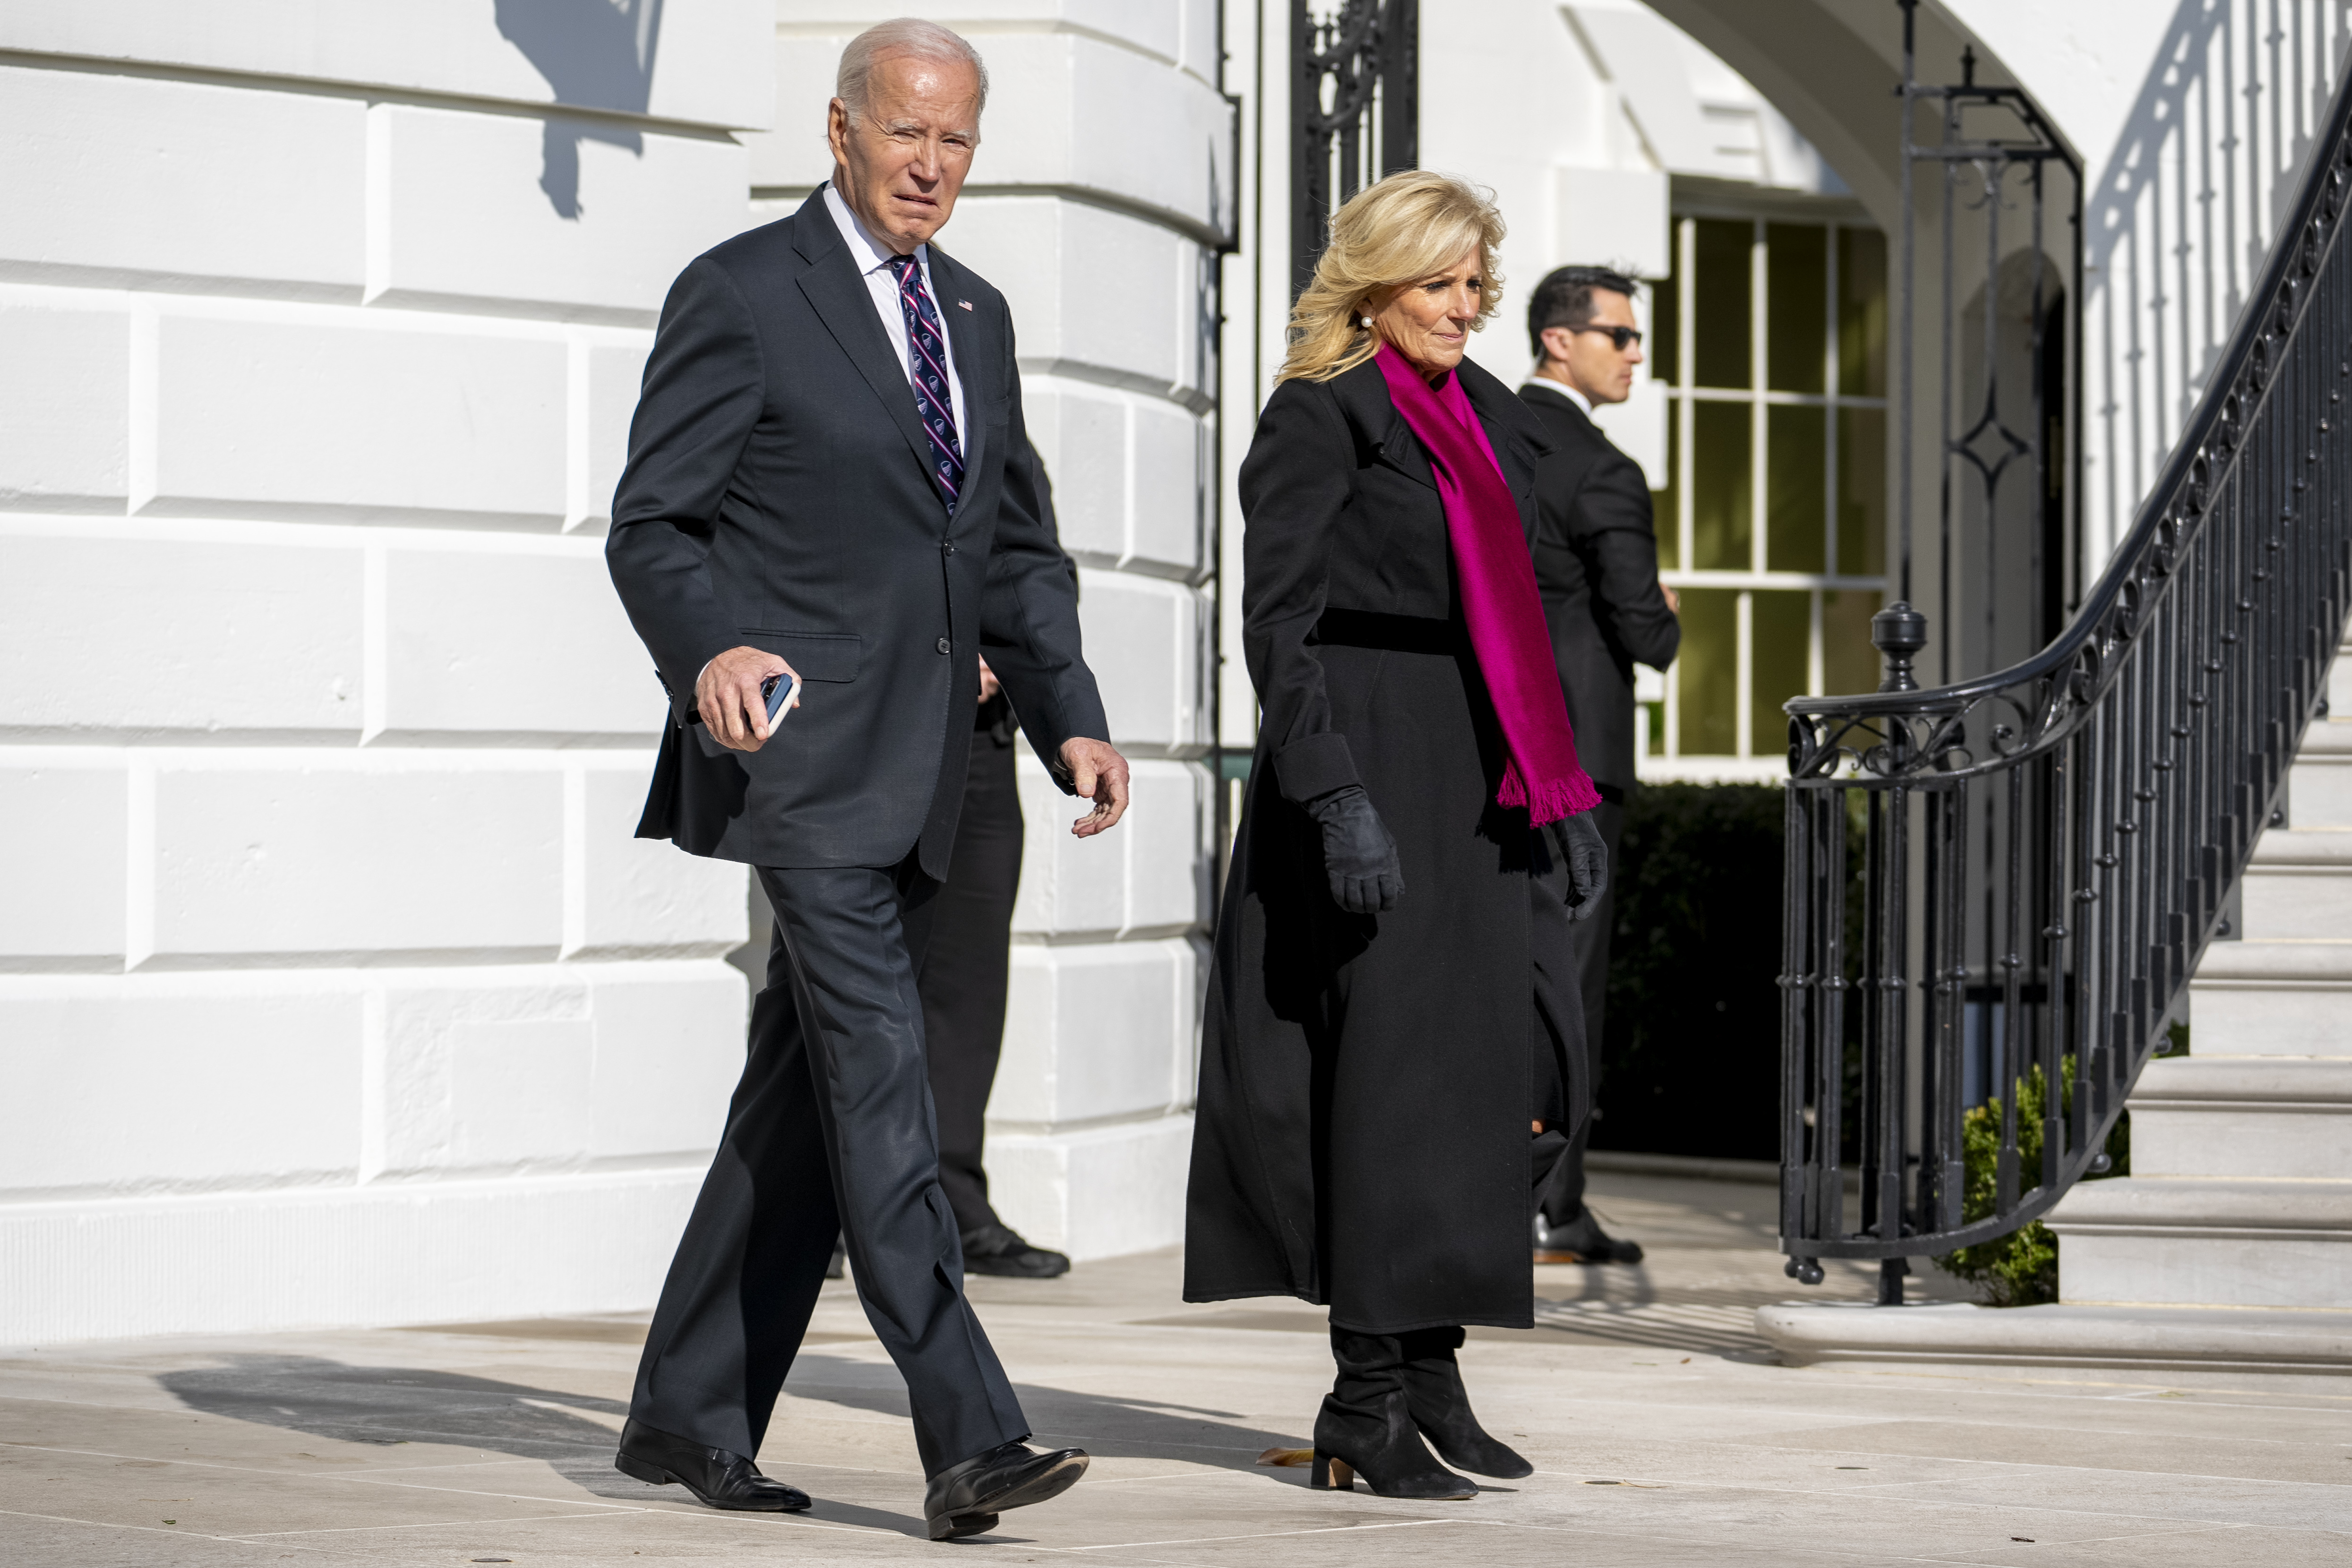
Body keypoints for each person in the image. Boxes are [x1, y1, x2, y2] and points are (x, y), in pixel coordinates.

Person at [600, 19, 1129, 1542]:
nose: (932, 165)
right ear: (838, 131)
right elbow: (654, 527)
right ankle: (969, 1433)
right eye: (905, 133)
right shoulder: (742, 294)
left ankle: (684, 1417)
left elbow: (1013, 547)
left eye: (957, 139)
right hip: (810, 763)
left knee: (801, 1105)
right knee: (885, 1093)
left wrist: (1067, 714)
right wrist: (707, 652)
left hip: (950, 768)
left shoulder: (975, 311)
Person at [1185, 171, 1610, 1502]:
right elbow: (1278, 624)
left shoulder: (1484, 416)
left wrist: (1567, 790)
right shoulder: (1320, 420)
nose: (1465, 309)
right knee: (1388, 1090)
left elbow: (1526, 618)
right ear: (1374, 285)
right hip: (1368, 760)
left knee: (1487, 1077)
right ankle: (1362, 1400)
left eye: (1477, 284)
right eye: (1440, 284)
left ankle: (1429, 1369)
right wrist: (1330, 792)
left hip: (1483, 776)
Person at [1517, 267, 1683, 1267]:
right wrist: (1665, 612)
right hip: (1576, 759)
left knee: (1490, 974)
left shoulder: (1481, 434)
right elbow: (1646, 631)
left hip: (1480, 748)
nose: (1634, 355)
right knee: (1566, 984)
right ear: (1556, 340)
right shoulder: (1600, 470)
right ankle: (1550, 1204)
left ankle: (1500, 1192)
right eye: (1617, 335)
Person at [924, 653, 1071, 1278]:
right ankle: (813, 1208)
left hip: (980, 741)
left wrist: (999, 657)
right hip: (859, 728)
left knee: (969, 988)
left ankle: (953, 1200)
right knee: (827, 985)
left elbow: (1037, 569)